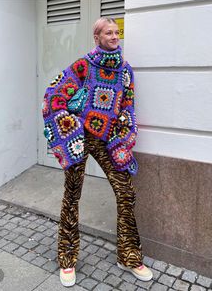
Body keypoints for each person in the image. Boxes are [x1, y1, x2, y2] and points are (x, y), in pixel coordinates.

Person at [42, 17, 153, 287]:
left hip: (108, 140)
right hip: (79, 137)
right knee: (73, 194)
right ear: (97, 36)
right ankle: (67, 259)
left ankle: (128, 255)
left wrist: (122, 138)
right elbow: (53, 97)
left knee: (126, 192)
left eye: (117, 32)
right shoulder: (82, 66)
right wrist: (72, 129)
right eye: (109, 32)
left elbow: (127, 108)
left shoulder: (125, 71)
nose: (115, 37)